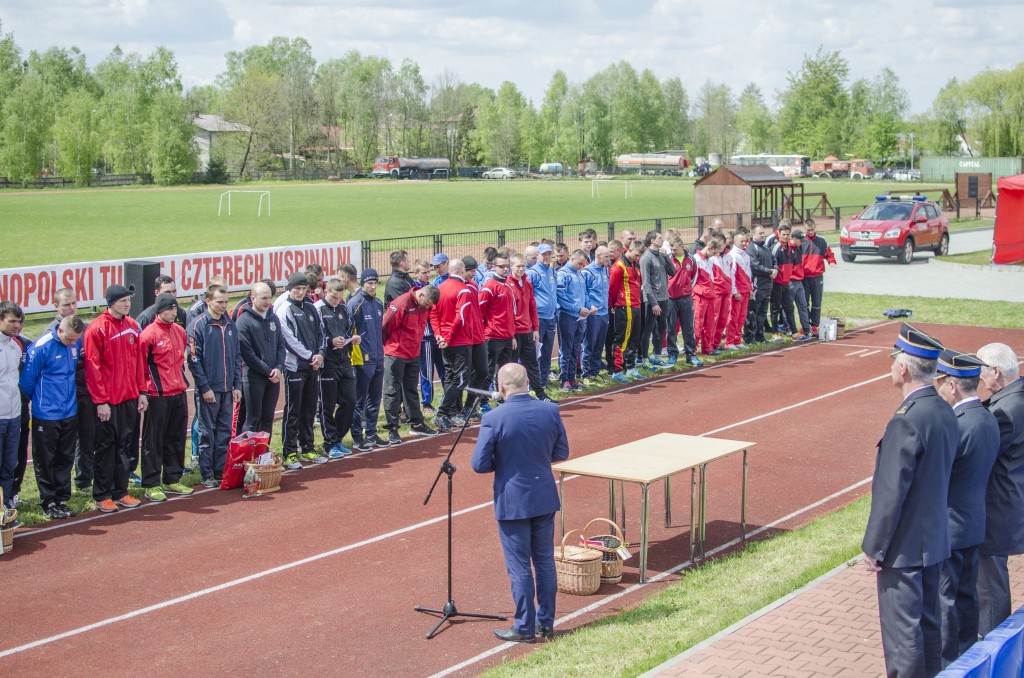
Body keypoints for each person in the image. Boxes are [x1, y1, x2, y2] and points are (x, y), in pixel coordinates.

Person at [862, 323, 957, 678]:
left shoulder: (907, 420)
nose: (890, 368)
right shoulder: (944, 410)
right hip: (934, 542)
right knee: (929, 631)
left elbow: (890, 494)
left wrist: (874, 547)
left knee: (903, 640)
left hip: (903, 550)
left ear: (903, 368)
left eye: (893, 361)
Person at [471, 363, 570, 643]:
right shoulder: (550, 410)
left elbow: (479, 464)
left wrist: (508, 463)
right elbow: (561, 451)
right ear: (527, 381)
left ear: (501, 388)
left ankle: (525, 628)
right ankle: (546, 624)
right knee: (544, 562)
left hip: (512, 500)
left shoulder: (494, 417)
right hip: (544, 495)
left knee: (519, 567)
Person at [933, 350, 999, 667]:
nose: (941, 389)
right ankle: (968, 656)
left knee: (946, 599)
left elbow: (939, 477)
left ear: (954, 386)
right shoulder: (987, 417)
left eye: (943, 383)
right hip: (974, 523)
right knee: (967, 596)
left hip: (950, 527)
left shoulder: (957, 425)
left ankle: (949, 664)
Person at [84, 285, 148, 513]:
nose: (127, 304)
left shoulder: (132, 326)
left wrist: (142, 391)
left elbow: (140, 361)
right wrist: (101, 401)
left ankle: (120, 491)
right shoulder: (97, 329)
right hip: (108, 402)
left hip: (129, 398)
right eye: (122, 301)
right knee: (105, 447)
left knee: (125, 446)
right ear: (111, 303)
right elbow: (92, 367)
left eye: (128, 300)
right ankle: (102, 494)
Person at [974, 342, 1024, 635]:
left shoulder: (1006, 410)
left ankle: (992, 643)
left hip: (996, 509)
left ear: (995, 372)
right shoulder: (1015, 398)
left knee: (990, 585)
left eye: (981, 373)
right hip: (1008, 501)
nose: (979, 380)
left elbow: (980, 451)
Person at [18, 316, 83, 518]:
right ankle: (48, 501)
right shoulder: (41, 347)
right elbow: (27, 382)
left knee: (65, 457)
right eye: (69, 339)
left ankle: (62, 498)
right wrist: (42, 402)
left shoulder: (74, 342)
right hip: (46, 414)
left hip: (69, 411)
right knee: (46, 459)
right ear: (60, 330)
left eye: (75, 340)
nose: (73, 344)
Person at [138, 294, 193, 501]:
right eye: (170, 309)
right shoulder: (148, 335)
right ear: (160, 311)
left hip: (178, 392)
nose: (174, 312)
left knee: (176, 438)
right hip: (157, 395)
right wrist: (143, 391)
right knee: (154, 441)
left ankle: (172, 478)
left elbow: (180, 361)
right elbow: (141, 366)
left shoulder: (179, 331)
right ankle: (151, 483)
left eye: (175, 308)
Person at [188, 284, 243, 488]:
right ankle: (206, 473)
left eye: (226, 302)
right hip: (209, 391)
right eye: (219, 302)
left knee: (224, 432)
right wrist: (204, 388)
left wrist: (237, 385)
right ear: (208, 301)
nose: (223, 306)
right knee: (207, 432)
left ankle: (220, 470)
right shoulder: (198, 325)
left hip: (228, 389)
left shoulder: (230, 325)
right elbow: (194, 360)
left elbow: (237, 357)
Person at [430, 259, 487, 432]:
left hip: (453, 340)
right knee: (459, 378)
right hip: (460, 340)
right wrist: (445, 336)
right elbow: (460, 317)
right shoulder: (463, 290)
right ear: (462, 271)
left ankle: (458, 410)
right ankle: (443, 413)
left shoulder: (441, 288)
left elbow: (434, 314)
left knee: (455, 376)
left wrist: (439, 334)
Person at [382, 285, 440, 444]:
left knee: (412, 389)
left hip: (414, 352)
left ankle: (416, 423)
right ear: (420, 295)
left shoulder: (423, 305)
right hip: (396, 352)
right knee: (392, 390)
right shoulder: (402, 303)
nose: (428, 308)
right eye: (427, 304)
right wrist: (388, 347)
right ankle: (392, 427)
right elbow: (386, 325)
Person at [237, 282, 286, 444]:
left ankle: (263, 455)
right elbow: (247, 353)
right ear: (253, 298)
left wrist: (279, 368)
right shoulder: (243, 321)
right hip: (254, 378)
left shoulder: (273, 318)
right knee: (252, 419)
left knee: (268, 418)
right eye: (263, 298)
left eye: (269, 298)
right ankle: (247, 458)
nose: (267, 301)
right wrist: (268, 371)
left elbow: (281, 345)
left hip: (273, 377)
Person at [348, 268, 389, 451]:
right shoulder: (355, 303)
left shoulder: (379, 303)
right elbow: (348, 330)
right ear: (363, 283)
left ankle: (371, 433)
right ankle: (358, 437)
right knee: (359, 401)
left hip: (378, 357)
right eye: (369, 283)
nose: (372, 287)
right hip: (362, 359)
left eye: (375, 283)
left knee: (375, 399)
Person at [509, 254, 550, 401]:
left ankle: (540, 394)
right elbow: (508, 313)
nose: (521, 269)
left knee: (532, 365)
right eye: (517, 266)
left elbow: (532, 307)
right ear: (511, 267)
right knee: (512, 367)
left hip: (528, 331)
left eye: (523, 266)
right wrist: (511, 335)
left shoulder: (527, 284)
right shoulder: (508, 285)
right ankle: (510, 397)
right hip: (514, 334)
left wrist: (536, 329)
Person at [479, 254, 518, 399]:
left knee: (505, 372)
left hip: (507, 337)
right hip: (493, 337)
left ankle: (503, 399)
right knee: (488, 372)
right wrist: (485, 334)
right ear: (494, 267)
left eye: (507, 266)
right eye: (501, 266)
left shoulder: (507, 285)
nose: (505, 269)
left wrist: (512, 335)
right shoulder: (489, 287)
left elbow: (510, 314)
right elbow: (479, 313)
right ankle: (482, 402)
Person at [608, 240, 644, 382]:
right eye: (636, 254)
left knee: (634, 339)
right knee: (622, 340)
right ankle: (617, 370)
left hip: (636, 306)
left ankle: (631, 367)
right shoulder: (618, 266)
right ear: (629, 250)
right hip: (624, 307)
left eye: (640, 255)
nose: (638, 257)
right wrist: (612, 305)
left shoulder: (635, 264)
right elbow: (612, 288)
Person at [555, 250, 592, 391]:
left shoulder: (580, 273)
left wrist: (589, 305)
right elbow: (561, 297)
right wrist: (577, 309)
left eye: (583, 264)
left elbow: (585, 293)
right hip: (567, 316)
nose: (582, 266)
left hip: (581, 316)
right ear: (572, 259)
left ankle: (572, 377)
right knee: (566, 348)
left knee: (576, 348)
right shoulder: (563, 274)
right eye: (580, 263)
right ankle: (564, 379)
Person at [0, 301, 24, 513]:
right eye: (12, 322)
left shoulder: (16, 345)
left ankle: (6, 504)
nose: (17, 326)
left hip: (14, 415)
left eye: (19, 321)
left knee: (10, 464)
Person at [666, 236, 701, 367]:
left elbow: (694, 276)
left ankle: (691, 355)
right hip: (670, 298)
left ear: (682, 247)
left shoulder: (691, 259)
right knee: (671, 328)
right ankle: (672, 354)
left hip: (686, 298)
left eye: (675, 249)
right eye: (671, 249)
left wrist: (687, 289)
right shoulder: (668, 259)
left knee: (688, 327)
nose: (673, 251)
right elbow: (665, 277)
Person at [527, 244, 558, 385]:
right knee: (535, 354)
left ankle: (543, 381)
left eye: (549, 254)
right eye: (544, 254)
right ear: (538, 255)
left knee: (546, 353)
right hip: (539, 319)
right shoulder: (532, 273)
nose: (546, 257)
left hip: (551, 318)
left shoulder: (552, 271)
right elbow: (528, 297)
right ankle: (534, 383)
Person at [800, 219, 836, 336]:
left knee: (816, 302)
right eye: (808, 230)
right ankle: (805, 326)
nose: (810, 232)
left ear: (815, 228)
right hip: (804, 277)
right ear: (804, 229)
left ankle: (814, 325)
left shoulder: (821, 240)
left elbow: (829, 254)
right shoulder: (801, 241)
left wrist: (832, 262)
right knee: (804, 302)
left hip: (817, 276)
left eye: (812, 229)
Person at [639, 231, 670, 369]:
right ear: (652, 240)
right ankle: (644, 360)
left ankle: (657, 356)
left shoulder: (661, 255)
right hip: (652, 300)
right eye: (659, 238)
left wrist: (667, 257)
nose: (662, 239)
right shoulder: (646, 258)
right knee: (648, 329)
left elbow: (673, 272)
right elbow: (646, 283)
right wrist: (653, 303)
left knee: (661, 328)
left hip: (664, 297)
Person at [581, 246, 611, 381]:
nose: (609, 259)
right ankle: (585, 374)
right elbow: (583, 291)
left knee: (600, 344)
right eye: (606, 257)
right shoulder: (587, 272)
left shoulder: (606, 270)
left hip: (604, 313)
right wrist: (589, 305)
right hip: (593, 315)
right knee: (589, 345)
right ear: (598, 256)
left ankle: (595, 371)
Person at [744, 224, 777, 345]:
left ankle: (759, 335)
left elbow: (774, 261)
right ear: (753, 234)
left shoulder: (766, 247)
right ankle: (749, 337)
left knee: (763, 312)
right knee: (753, 312)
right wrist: (769, 272)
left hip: (768, 284)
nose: (763, 235)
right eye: (760, 233)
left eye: (763, 233)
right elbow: (755, 266)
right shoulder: (751, 248)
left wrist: (775, 270)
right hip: (758, 284)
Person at [692, 238, 723, 357]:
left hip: (710, 295)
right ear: (709, 248)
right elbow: (692, 280)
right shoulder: (696, 259)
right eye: (714, 253)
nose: (715, 256)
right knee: (697, 323)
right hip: (699, 296)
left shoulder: (710, 260)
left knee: (710, 323)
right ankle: (693, 349)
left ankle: (707, 347)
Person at [725, 230, 752, 351]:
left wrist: (750, 288)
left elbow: (749, 273)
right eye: (740, 241)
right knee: (734, 317)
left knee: (742, 316)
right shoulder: (732, 256)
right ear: (734, 242)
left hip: (746, 290)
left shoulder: (746, 255)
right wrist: (734, 291)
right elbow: (732, 274)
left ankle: (737, 339)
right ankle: (729, 341)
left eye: (745, 241)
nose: (743, 243)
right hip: (738, 292)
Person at [769, 225, 795, 338]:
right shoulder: (775, 248)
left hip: (786, 283)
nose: (785, 236)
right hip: (777, 283)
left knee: (789, 307)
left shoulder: (790, 248)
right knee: (775, 308)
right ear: (778, 234)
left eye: (787, 234)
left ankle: (794, 331)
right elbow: (771, 265)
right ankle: (775, 333)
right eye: (783, 234)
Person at [788, 230, 813, 340]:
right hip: (791, 281)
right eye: (800, 240)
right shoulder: (788, 249)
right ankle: (789, 328)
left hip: (799, 281)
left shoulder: (798, 249)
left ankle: (806, 328)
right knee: (789, 307)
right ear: (794, 239)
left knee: (803, 305)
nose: (802, 243)